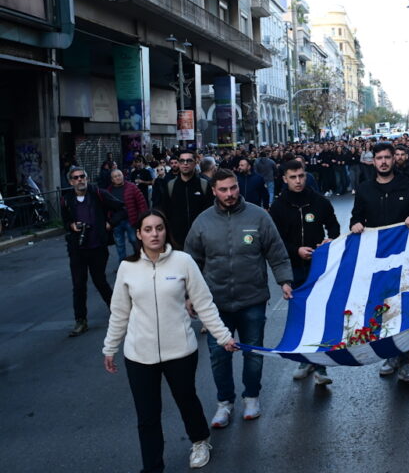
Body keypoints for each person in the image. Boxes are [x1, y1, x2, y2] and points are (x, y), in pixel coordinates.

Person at [103, 210, 238, 472]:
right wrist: (110, 347)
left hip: (180, 351)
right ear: (139, 234)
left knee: (186, 399)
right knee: (147, 416)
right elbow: (119, 312)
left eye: (159, 228)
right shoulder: (127, 268)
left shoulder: (183, 262)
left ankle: (200, 441)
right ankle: (153, 466)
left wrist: (223, 336)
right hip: (139, 354)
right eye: (148, 229)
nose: (154, 234)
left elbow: (204, 304)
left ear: (166, 231)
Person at [185, 169, 293, 427]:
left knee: (253, 352)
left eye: (233, 188)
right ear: (214, 191)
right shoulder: (202, 221)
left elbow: (276, 252)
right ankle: (225, 403)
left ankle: (251, 397)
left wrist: (285, 280)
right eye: (223, 189)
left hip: (252, 299)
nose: (230, 194)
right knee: (218, 356)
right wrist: (188, 295)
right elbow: (190, 262)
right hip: (215, 304)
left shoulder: (258, 216)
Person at [350, 142, 409, 383]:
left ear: (394, 159)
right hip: (376, 263)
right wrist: (355, 225)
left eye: (387, 157)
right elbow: (355, 217)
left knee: (404, 311)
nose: (383, 161)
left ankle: (406, 362)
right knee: (382, 310)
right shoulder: (365, 189)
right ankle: (389, 356)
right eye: (379, 158)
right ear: (373, 161)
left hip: (404, 262)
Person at [270, 159, 340, 385]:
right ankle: (304, 360)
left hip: (318, 268)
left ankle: (321, 366)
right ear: (284, 179)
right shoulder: (278, 206)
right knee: (300, 317)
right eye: (293, 177)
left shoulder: (319, 201)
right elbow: (275, 241)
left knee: (319, 315)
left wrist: (328, 242)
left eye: (301, 176)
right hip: (293, 269)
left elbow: (335, 227)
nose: (298, 181)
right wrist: (295, 250)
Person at [60, 167, 125, 337]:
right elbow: (65, 221)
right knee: (78, 285)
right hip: (77, 249)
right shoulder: (66, 199)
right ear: (71, 182)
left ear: (87, 178)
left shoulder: (98, 194)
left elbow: (121, 209)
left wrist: (110, 223)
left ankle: (117, 312)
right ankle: (80, 320)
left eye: (83, 176)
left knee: (100, 281)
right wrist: (71, 226)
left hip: (97, 247)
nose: (80, 180)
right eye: (76, 178)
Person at [160, 150, 213, 247]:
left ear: (195, 163)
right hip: (177, 240)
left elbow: (210, 211)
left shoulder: (204, 185)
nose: (185, 164)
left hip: (200, 238)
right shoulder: (170, 185)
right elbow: (165, 212)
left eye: (189, 161)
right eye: (182, 161)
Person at [108, 169, 148, 263]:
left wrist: (144, 218)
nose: (118, 177)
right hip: (116, 222)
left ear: (123, 176)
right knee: (119, 244)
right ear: (112, 179)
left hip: (131, 220)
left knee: (134, 241)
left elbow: (141, 203)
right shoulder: (109, 190)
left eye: (119, 175)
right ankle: (123, 264)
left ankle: (140, 260)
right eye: (115, 176)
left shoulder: (132, 187)